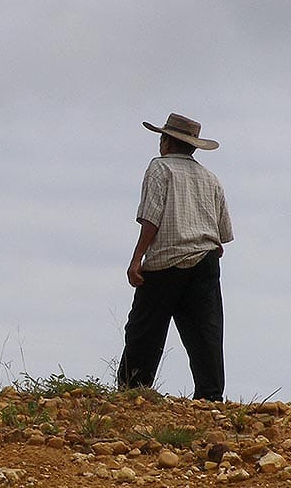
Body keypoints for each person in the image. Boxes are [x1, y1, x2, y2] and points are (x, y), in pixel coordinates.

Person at [118, 113, 233, 401]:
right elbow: (223, 234)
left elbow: (151, 218)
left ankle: (133, 394)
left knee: (144, 331)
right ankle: (210, 398)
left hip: (165, 262)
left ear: (167, 142)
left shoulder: (160, 168)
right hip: (205, 261)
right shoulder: (211, 178)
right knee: (205, 333)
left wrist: (137, 259)